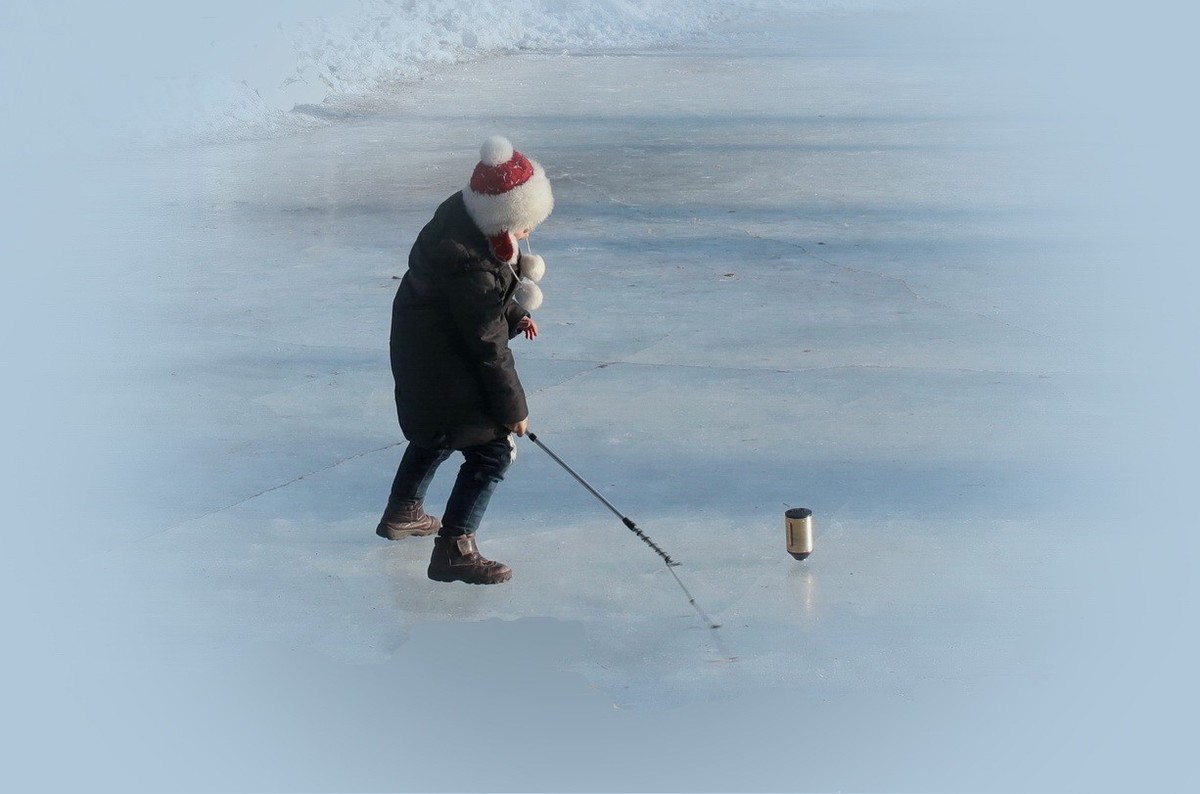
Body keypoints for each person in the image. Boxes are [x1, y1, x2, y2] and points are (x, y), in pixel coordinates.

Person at [375, 135, 553, 585]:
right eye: (526, 223)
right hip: (444, 357)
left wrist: (514, 310)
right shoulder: (471, 259)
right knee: (493, 451)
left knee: (437, 431)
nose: (529, 232)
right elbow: (486, 339)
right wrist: (514, 411)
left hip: (428, 348)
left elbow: (482, 296)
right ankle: (454, 550)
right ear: (504, 214)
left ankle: (404, 512)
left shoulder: (467, 219)